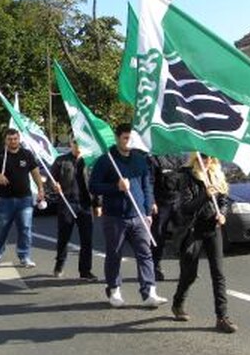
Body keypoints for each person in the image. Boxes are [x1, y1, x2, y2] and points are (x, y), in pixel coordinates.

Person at [88, 123, 167, 308]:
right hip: (115, 216)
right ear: (117, 138)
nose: (128, 142)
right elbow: (93, 186)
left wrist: (148, 211)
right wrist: (116, 187)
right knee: (114, 254)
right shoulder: (106, 160)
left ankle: (149, 292)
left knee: (145, 253)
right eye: (125, 138)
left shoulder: (140, 159)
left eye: (131, 138)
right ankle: (114, 290)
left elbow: (147, 185)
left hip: (138, 215)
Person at [171, 153, 237, 334]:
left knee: (218, 274)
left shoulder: (217, 174)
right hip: (193, 230)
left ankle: (222, 317)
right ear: (196, 157)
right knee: (189, 274)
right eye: (204, 157)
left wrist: (222, 213)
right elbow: (186, 207)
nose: (207, 160)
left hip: (212, 229)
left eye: (211, 157)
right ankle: (178, 303)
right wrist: (204, 195)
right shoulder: (188, 177)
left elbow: (223, 200)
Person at [0, 128, 45, 268]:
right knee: (1, 229)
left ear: (19, 139)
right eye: (10, 139)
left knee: (25, 228)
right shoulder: (0, 155)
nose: (13, 141)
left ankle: (24, 256)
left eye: (15, 139)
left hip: (24, 199)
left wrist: (40, 189)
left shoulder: (26, 154)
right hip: (5, 199)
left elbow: (35, 172)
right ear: (5, 140)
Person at [50, 137, 99, 281]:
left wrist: (98, 204)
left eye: (81, 143)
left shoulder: (90, 161)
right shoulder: (61, 160)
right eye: (76, 143)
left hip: (85, 204)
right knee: (64, 237)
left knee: (87, 239)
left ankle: (85, 271)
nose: (78, 146)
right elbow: (51, 179)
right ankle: (59, 264)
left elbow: (95, 183)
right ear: (71, 144)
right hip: (67, 203)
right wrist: (54, 187)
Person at [148, 153, 185, 281]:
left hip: (178, 202)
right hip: (161, 204)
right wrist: (151, 201)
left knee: (184, 235)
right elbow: (149, 181)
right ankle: (155, 268)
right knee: (158, 236)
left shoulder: (176, 156)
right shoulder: (153, 158)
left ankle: (186, 269)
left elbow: (183, 177)